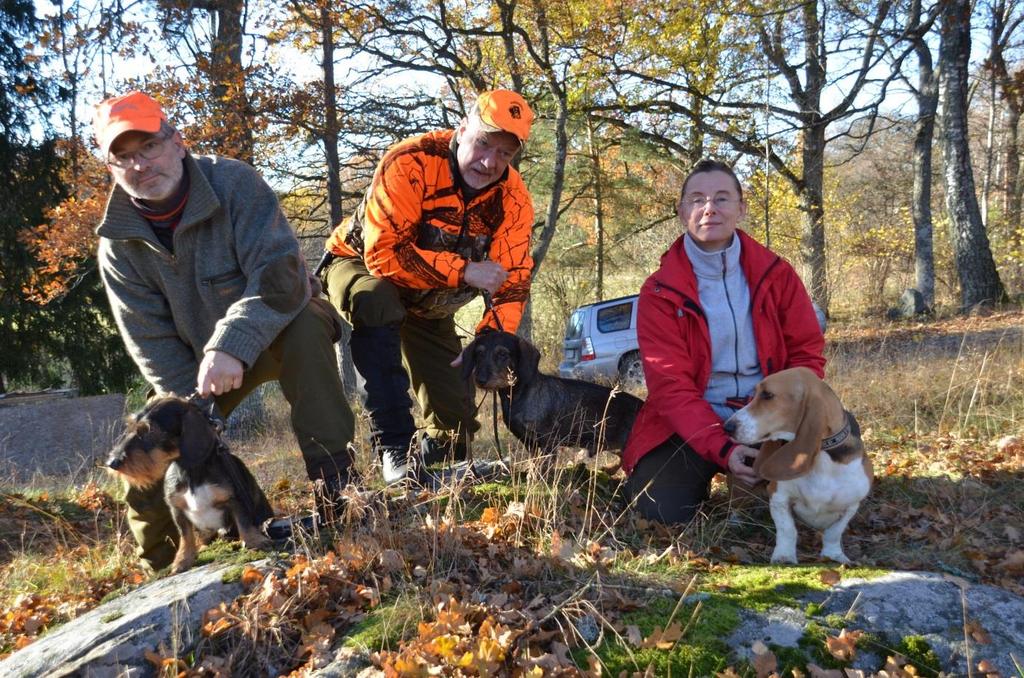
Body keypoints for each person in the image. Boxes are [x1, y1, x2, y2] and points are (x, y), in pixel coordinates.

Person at [93, 91, 358, 570]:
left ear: (176, 142)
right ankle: (162, 565)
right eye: (123, 157)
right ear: (111, 167)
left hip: (278, 328)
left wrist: (231, 345)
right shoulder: (116, 244)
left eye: (148, 146)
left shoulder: (235, 183)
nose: (139, 165)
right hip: (197, 374)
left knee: (306, 332)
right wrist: (189, 414)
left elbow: (280, 276)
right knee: (149, 435)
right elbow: (147, 339)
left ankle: (339, 497)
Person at [320, 90, 535, 483]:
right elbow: (384, 255)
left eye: (504, 154)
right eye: (484, 143)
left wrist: (488, 345)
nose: (489, 162)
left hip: (430, 302)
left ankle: (426, 471)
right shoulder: (411, 162)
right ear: (464, 128)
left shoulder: (514, 199)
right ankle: (394, 448)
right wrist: (466, 271)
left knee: (455, 424)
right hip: (362, 266)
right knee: (377, 299)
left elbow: (512, 281)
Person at [622, 159, 826, 523]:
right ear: (682, 210)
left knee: (818, 504)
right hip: (690, 424)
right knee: (658, 512)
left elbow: (806, 354)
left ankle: (757, 485)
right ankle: (726, 475)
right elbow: (669, 385)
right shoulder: (659, 291)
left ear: (741, 208)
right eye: (697, 199)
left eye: (722, 198)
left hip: (767, 412)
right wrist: (724, 449)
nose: (709, 208)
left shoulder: (776, 274)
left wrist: (785, 419)